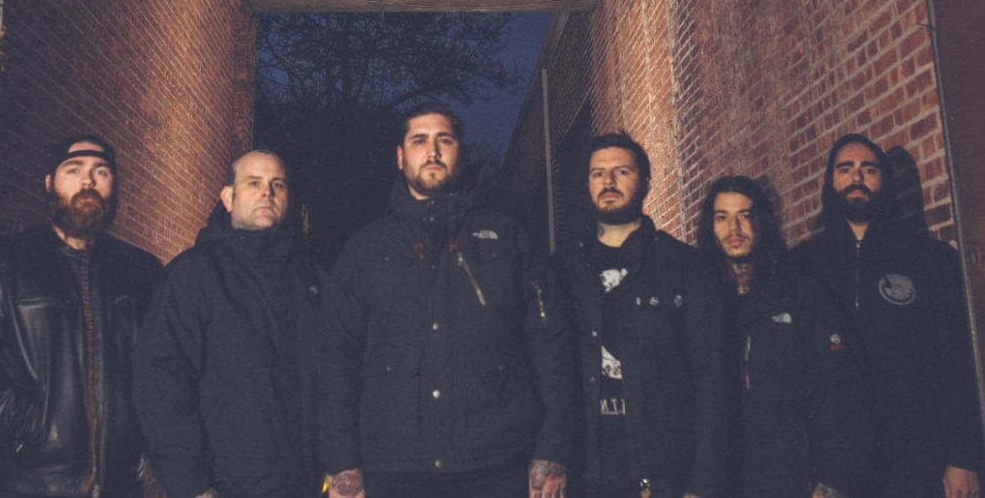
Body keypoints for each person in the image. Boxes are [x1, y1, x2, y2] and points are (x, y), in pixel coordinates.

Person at [320, 102, 573, 498]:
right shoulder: (365, 249)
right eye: (419, 141)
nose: (433, 152)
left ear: (461, 152)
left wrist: (553, 449)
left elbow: (551, 347)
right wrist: (341, 461)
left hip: (498, 466)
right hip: (393, 471)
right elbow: (337, 358)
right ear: (400, 156)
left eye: (445, 140)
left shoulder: (509, 238)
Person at [0, 135, 162, 498]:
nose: (88, 181)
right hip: (23, 485)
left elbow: (164, 368)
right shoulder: (4, 264)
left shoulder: (143, 273)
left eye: (101, 172)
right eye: (73, 170)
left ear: (114, 186)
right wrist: (27, 422)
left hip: (121, 485)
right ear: (48, 183)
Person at [791, 133, 983, 498]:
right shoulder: (803, 265)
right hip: (836, 464)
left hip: (920, 455)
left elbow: (957, 360)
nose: (857, 177)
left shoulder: (931, 260)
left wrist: (964, 457)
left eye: (869, 169)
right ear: (830, 182)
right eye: (845, 169)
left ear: (885, 181)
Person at [133, 149, 323, 498]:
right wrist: (191, 483)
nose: (267, 192)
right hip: (224, 486)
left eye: (277, 185)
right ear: (227, 197)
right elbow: (161, 382)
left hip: (304, 486)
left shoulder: (311, 279)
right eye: (253, 183)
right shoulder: (193, 274)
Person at [554, 132, 725, 498]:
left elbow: (712, 378)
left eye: (621, 172)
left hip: (664, 471)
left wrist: (703, 481)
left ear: (646, 182)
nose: (608, 182)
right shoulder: (561, 269)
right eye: (598, 173)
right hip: (585, 471)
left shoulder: (683, 266)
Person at [697, 175, 869, 497]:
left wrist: (833, 480)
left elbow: (838, 390)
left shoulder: (801, 295)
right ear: (710, 226)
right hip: (724, 481)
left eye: (745, 215)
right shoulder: (699, 303)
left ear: (762, 222)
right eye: (722, 217)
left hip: (793, 479)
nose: (734, 228)